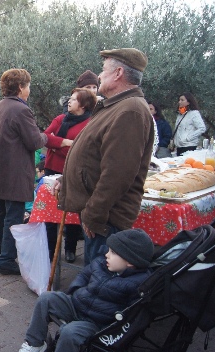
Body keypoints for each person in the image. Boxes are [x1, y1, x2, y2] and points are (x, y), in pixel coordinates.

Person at [56, 48, 155, 266]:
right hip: (101, 217)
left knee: (100, 283)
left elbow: (118, 173)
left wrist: (94, 214)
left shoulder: (130, 111)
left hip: (107, 220)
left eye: (103, 70)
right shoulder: (117, 106)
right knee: (95, 279)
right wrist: (67, 179)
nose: (99, 76)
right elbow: (94, 156)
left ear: (118, 73)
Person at [14, 229, 154, 352]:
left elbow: (134, 316)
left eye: (113, 253)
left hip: (96, 322)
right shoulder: (101, 263)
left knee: (70, 333)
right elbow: (83, 275)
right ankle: (34, 343)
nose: (107, 255)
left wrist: (112, 331)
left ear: (130, 262)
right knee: (46, 298)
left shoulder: (138, 283)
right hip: (77, 304)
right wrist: (76, 291)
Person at [0, 68, 47, 275]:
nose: (29, 89)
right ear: (21, 87)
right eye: (28, 85)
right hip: (14, 174)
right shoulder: (21, 110)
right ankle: (6, 260)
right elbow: (34, 141)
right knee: (13, 216)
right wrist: (47, 136)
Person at [44, 88, 97, 263]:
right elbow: (44, 138)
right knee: (51, 212)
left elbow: (81, 150)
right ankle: (51, 250)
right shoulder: (60, 119)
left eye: (74, 99)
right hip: (52, 170)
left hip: (72, 172)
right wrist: (65, 143)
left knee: (72, 211)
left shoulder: (90, 123)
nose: (69, 101)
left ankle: (70, 249)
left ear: (83, 105)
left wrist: (55, 145)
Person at [173, 92, 206, 156]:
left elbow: (202, 128)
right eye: (179, 100)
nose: (179, 102)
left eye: (182, 100)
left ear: (188, 102)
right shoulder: (180, 114)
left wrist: (188, 138)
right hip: (179, 146)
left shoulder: (194, 113)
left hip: (189, 146)